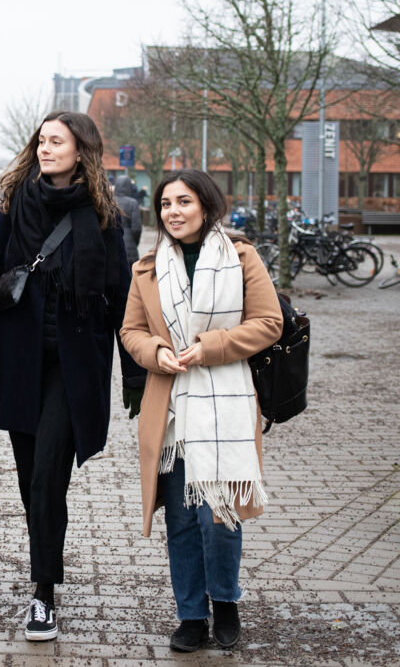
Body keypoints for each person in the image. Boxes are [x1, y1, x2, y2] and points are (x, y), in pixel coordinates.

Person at [0, 110, 142, 642]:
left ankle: (43, 592)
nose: (45, 149)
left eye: (56, 142)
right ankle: (46, 558)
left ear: (80, 150)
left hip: (72, 369)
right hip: (19, 361)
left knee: (48, 475)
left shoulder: (104, 213)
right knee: (32, 483)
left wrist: (133, 370)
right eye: (41, 141)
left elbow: (120, 298)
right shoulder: (15, 202)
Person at [119, 170, 281, 652]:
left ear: (207, 207)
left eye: (183, 201)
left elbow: (269, 322)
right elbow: (130, 333)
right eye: (165, 203)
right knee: (183, 520)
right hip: (171, 408)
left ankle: (226, 601)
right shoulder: (146, 268)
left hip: (226, 400)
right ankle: (190, 614)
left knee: (218, 512)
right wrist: (156, 352)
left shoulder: (242, 256)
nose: (173, 211)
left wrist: (209, 347)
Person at [114, 176, 143, 264]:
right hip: (129, 248)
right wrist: (135, 243)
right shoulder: (132, 203)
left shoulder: (109, 201)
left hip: (111, 246)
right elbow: (136, 228)